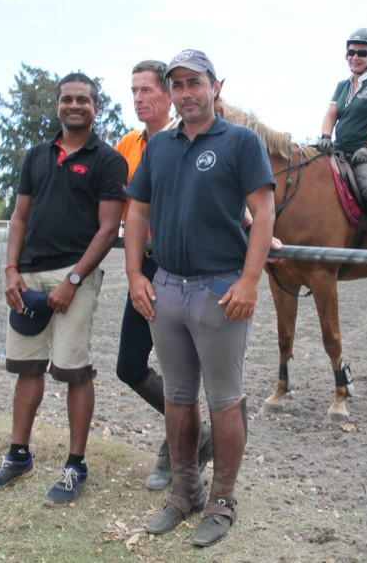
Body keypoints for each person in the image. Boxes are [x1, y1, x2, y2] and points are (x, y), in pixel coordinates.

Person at [124, 49, 275, 547]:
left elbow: (264, 212)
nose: (187, 92)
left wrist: (250, 281)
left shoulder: (241, 142)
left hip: (219, 291)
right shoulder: (160, 148)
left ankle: (223, 499)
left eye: (196, 82)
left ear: (216, 86)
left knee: (225, 401)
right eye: (179, 84)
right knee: (177, 397)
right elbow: (138, 213)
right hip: (166, 287)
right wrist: (134, 276)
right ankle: (183, 491)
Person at [0, 73, 128, 507]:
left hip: (73, 275)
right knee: (27, 367)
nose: (74, 106)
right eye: (67, 99)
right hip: (27, 276)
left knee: (73, 370)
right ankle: (18, 455)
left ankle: (75, 464)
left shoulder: (108, 160)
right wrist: (10, 270)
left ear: (96, 108)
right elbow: (19, 218)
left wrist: (74, 280)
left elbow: (107, 229)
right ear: (57, 105)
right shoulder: (36, 156)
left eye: (83, 100)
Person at [114, 60, 213, 491]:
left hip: (183, 265)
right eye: (133, 91)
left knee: (182, 370)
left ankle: (175, 451)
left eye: (147, 91)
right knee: (129, 364)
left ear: (168, 95)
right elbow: (123, 208)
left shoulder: (188, 140)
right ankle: (197, 435)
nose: (139, 99)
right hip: (146, 264)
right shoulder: (127, 146)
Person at [316, 27, 367, 250]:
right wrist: (325, 137)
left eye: (362, 53)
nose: (355, 57)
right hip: (341, 151)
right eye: (351, 52)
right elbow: (331, 114)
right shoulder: (342, 86)